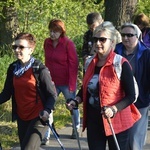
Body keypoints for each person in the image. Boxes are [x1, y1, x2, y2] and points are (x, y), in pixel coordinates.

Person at [66, 21, 141, 150]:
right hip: (94, 121)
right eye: (95, 39)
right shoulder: (90, 62)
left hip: (117, 122)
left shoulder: (120, 63)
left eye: (102, 39)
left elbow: (131, 95)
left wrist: (114, 109)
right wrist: (76, 100)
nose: (98, 43)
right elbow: (86, 88)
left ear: (112, 42)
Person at [0, 33, 57, 150]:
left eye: (21, 47)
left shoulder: (40, 69)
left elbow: (52, 94)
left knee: (28, 148)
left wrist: (47, 110)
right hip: (22, 116)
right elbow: (6, 94)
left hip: (40, 116)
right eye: (15, 47)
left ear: (31, 50)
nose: (17, 50)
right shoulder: (13, 68)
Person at [115, 22, 150, 150]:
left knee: (135, 139)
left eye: (129, 35)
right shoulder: (115, 51)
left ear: (137, 36)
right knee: (121, 139)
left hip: (140, 101)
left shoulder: (146, 53)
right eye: (123, 35)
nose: (125, 38)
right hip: (120, 102)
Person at [43, 19, 80, 139]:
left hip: (66, 81)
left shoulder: (68, 44)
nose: (52, 34)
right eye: (51, 31)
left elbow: (73, 64)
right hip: (52, 81)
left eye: (56, 31)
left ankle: (76, 128)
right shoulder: (47, 43)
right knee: (48, 106)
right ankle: (47, 134)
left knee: (72, 105)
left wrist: (72, 84)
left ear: (61, 32)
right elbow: (47, 61)